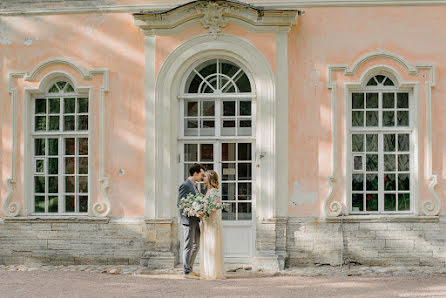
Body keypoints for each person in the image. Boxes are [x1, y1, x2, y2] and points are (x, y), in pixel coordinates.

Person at [178, 163, 205, 279]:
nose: (202, 178)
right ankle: (187, 272)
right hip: (189, 219)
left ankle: (190, 268)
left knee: (196, 244)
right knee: (188, 245)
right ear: (195, 173)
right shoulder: (185, 185)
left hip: (196, 220)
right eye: (201, 175)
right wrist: (193, 211)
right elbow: (180, 203)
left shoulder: (194, 185)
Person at [200, 170, 226, 280]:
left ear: (209, 179)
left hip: (211, 221)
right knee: (207, 245)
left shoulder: (214, 191)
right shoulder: (208, 190)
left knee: (212, 244)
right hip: (206, 222)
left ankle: (213, 272)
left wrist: (205, 213)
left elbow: (216, 206)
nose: (203, 178)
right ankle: (207, 271)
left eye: (204, 177)